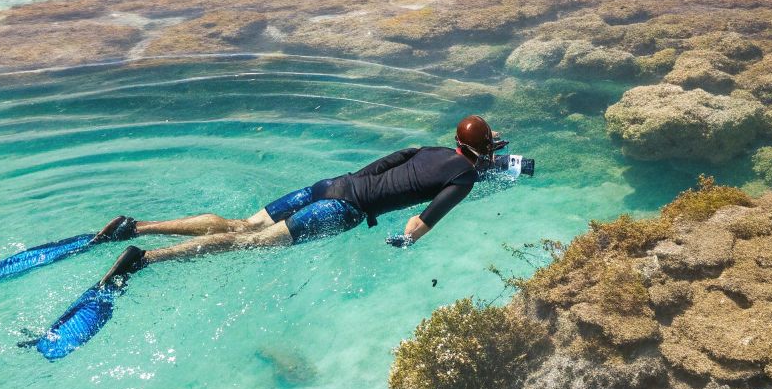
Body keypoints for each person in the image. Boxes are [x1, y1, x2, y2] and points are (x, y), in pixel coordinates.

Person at [91, 114, 503, 286]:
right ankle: (144, 259)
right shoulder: (464, 177)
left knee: (244, 225)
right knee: (247, 244)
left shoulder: (425, 149)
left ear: (455, 141)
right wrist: (405, 241)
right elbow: (421, 222)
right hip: (343, 211)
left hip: (329, 186)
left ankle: (137, 225)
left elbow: (375, 170)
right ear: (483, 151)